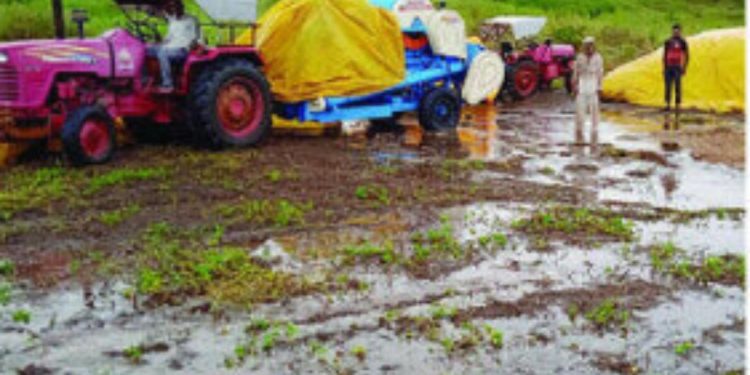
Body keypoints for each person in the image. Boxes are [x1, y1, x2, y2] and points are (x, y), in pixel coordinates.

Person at [147, 0, 201, 90]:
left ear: (181, 7)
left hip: (182, 49)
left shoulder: (191, 20)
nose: (174, 9)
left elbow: (196, 37)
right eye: (171, 7)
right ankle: (146, 79)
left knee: (162, 53)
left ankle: (168, 84)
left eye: (176, 6)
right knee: (146, 50)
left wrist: (192, 46)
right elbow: (169, 37)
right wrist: (159, 42)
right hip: (170, 46)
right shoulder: (173, 21)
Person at [572, 36, 604, 145]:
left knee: (594, 109)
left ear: (593, 46)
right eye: (587, 45)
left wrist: (600, 87)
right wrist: (574, 85)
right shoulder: (580, 57)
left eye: (591, 45)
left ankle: (594, 130)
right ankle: (579, 130)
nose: (589, 47)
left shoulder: (598, 58)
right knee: (580, 110)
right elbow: (576, 72)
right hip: (583, 83)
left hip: (593, 83)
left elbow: (600, 73)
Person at [663, 24, 689, 112]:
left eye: (678, 31)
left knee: (678, 86)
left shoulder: (683, 42)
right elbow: (665, 55)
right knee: (668, 86)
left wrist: (684, 67)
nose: (676, 33)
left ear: (680, 32)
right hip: (668, 67)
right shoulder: (668, 41)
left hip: (677, 67)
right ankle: (667, 104)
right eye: (674, 31)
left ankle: (677, 105)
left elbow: (687, 55)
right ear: (672, 31)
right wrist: (664, 67)